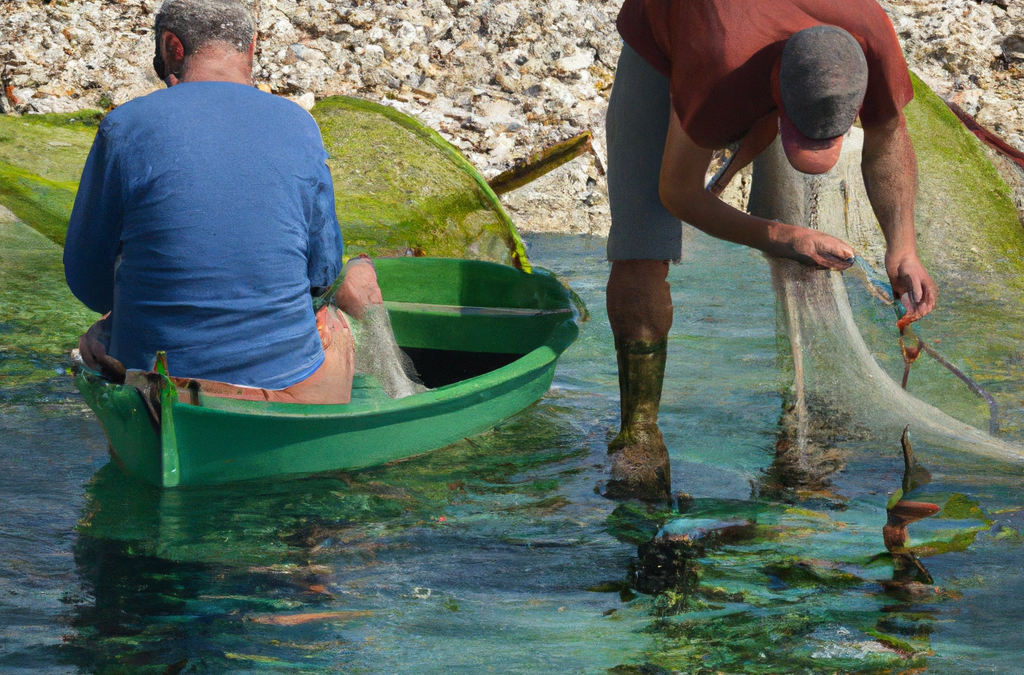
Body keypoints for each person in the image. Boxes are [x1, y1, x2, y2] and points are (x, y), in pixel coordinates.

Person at [603, 0, 939, 501]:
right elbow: (678, 191)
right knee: (641, 245)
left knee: (799, 225)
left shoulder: (872, 36)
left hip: (763, 48)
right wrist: (782, 236)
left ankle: (803, 422)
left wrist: (903, 247)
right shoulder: (718, 66)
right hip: (674, 28)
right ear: (774, 94)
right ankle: (640, 435)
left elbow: (889, 135)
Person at [66, 0, 380, 404]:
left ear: (172, 48)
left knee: (97, 336)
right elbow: (321, 272)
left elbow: (88, 282)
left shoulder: (123, 126)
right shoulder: (299, 125)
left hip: (153, 379)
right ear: (251, 46)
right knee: (348, 289)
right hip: (282, 380)